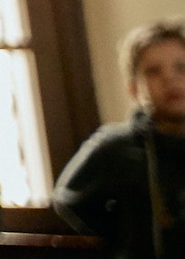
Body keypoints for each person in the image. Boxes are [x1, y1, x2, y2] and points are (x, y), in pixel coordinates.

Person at [54, 18, 185, 257]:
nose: (170, 79)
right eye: (153, 71)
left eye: (181, 68)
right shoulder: (116, 146)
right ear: (134, 88)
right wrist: (120, 237)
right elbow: (69, 198)